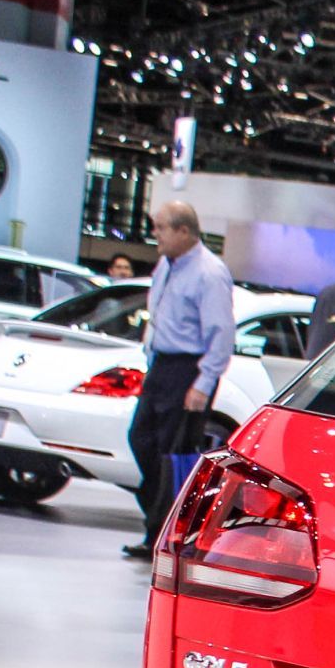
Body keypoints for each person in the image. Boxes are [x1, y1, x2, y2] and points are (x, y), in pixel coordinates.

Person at [123, 199, 237, 560]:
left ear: (183, 231)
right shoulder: (166, 265)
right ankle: (158, 517)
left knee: (172, 454)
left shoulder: (209, 272)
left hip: (188, 369)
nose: (154, 235)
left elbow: (221, 334)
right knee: (141, 439)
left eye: (160, 228)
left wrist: (203, 383)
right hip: (162, 367)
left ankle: (162, 534)